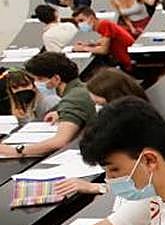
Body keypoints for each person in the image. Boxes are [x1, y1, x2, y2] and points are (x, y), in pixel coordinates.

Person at [50, 70, 150, 199]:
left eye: (101, 104)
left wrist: (96, 187)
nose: (99, 110)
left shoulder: (134, 133)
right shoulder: (134, 117)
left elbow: (140, 187)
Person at [0, 53, 95, 159]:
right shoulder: (81, 88)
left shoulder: (73, 98)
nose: (36, 83)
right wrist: (62, 112)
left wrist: (17, 150)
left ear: (56, 79)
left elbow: (60, 141)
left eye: (40, 79)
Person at [72, 6, 135, 72]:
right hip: (125, 60)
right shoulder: (102, 25)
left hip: (129, 62)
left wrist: (83, 48)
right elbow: (105, 42)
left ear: (91, 18)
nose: (80, 24)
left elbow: (103, 50)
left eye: (81, 20)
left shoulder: (104, 25)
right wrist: (88, 44)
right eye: (77, 22)